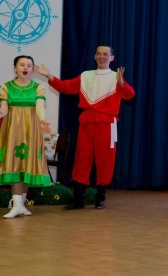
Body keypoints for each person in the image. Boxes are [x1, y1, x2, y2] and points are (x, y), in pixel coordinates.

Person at [34, 46, 135, 210]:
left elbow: (129, 95)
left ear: (112, 57)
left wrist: (122, 82)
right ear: (94, 56)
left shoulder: (115, 77)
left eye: (105, 54)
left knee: (105, 160)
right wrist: (48, 75)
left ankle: (100, 198)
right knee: (82, 159)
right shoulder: (85, 76)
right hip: (87, 122)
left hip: (107, 124)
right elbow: (65, 87)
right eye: (99, 54)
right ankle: (78, 199)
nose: (102, 57)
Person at [0, 55, 52, 218]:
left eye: (29, 65)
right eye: (22, 64)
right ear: (15, 68)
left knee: (27, 164)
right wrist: (1, 112)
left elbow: (39, 106)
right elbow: (4, 108)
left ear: (32, 69)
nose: (25, 68)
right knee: (16, 163)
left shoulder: (38, 87)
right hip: (13, 130)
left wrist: (42, 119)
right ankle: (17, 205)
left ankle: (21, 205)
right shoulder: (7, 86)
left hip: (32, 129)